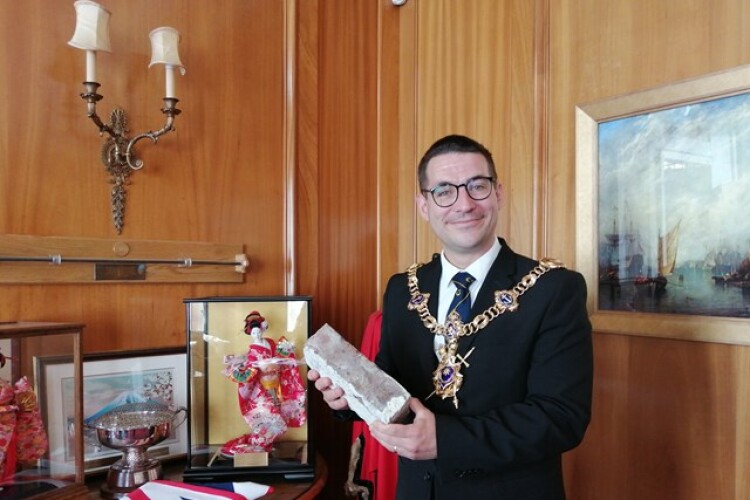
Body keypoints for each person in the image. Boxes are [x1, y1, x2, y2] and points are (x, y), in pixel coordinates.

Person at [309, 134, 593, 499]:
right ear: (424, 205)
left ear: (499, 194)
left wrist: (445, 440)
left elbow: (561, 417)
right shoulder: (402, 288)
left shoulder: (553, 289)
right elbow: (394, 390)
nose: (464, 203)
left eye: (477, 186)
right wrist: (350, 399)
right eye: (444, 191)